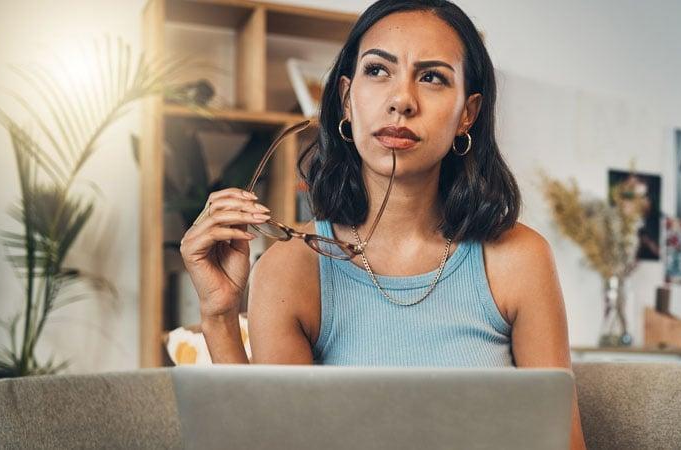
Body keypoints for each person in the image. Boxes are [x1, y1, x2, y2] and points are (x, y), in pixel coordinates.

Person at [179, 0, 586, 448]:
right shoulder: (291, 270)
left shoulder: (518, 260)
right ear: (346, 99)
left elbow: (562, 444)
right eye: (378, 71)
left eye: (432, 77)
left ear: (467, 114)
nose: (401, 101)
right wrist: (218, 317)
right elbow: (275, 441)